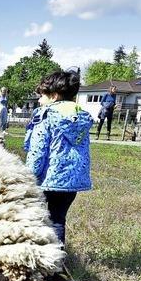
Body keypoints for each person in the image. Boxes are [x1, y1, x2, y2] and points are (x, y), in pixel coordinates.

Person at [25, 70, 93, 246]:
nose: (39, 100)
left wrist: (27, 177)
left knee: (34, 218)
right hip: (72, 182)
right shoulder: (81, 117)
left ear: (54, 96)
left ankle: (39, 256)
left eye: (42, 96)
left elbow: (38, 151)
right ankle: (59, 261)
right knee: (57, 219)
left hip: (49, 180)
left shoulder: (44, 115)